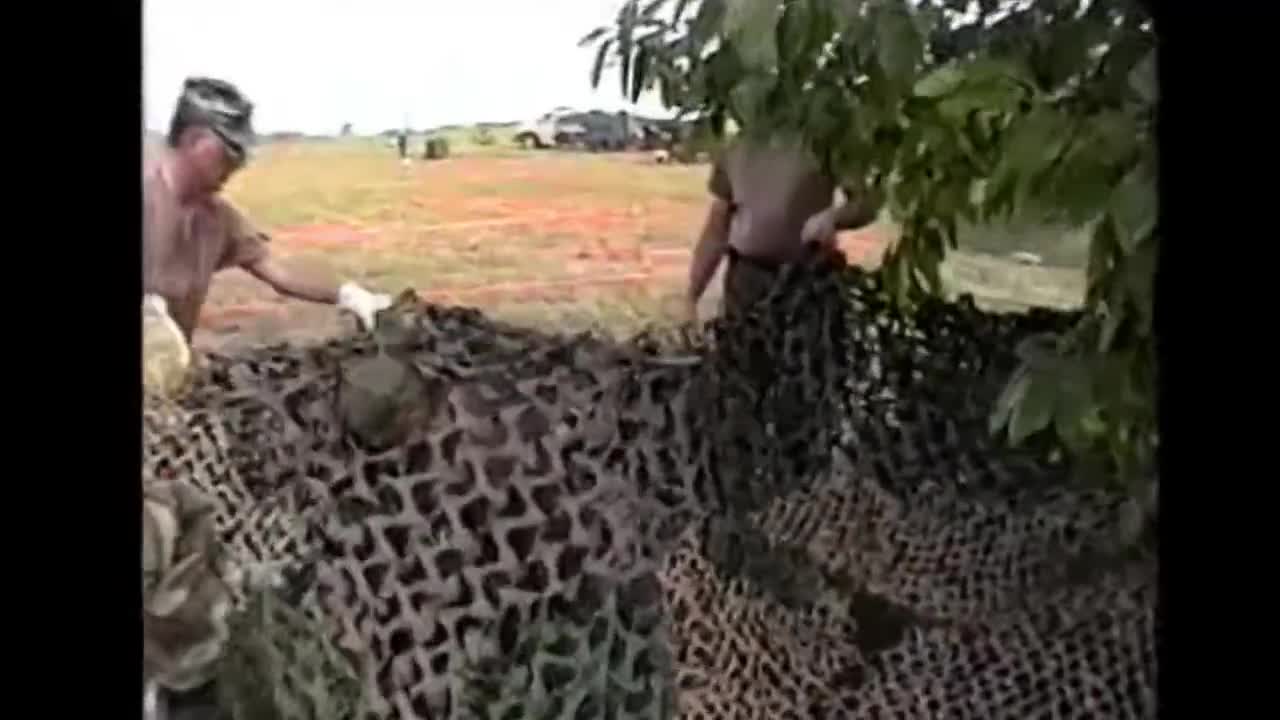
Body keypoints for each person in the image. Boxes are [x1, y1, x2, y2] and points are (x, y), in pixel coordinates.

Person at [144, 77, 391, 347]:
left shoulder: (218, 220)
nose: (237, 165)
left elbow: (281, 275)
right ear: (193, 139)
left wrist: (347, 294)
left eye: (242, 156)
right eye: (229, 151)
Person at [684, 132, 882, 320]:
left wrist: (834, 217)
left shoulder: (822, 138)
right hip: (746, 283)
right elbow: (718, 225)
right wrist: (692, 297)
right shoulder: (736, 145)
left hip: (806, 282)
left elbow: (868, 203)